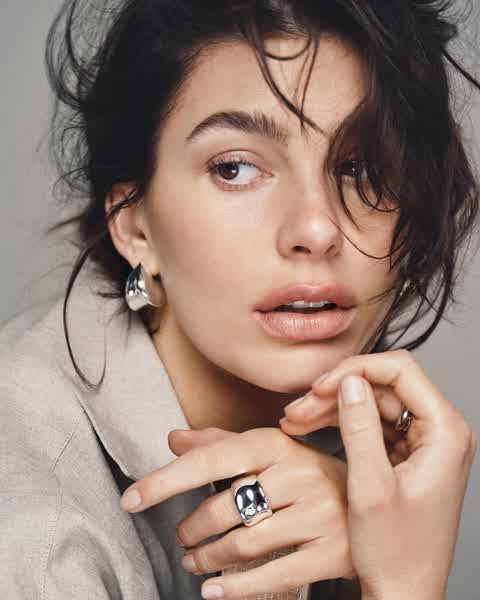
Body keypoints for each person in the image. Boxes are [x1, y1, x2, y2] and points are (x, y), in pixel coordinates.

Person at [1, 1, 479, 598]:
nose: (317, 229)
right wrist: (405, 584)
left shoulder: (353, 447)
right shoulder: (32, 531)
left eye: (364, 168)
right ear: (135, 225)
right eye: (234, 169)